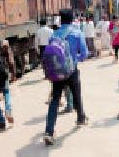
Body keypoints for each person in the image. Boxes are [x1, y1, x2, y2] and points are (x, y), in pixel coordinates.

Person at [44, 9, 89, 146]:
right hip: (72, 70)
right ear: (72, 19)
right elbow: (85, 53)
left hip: (57, 72)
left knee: (55, 100)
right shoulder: (77, 32)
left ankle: (49, 131)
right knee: (77, 94)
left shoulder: (54, 34)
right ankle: (81, 118)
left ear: (61, 20)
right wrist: (76, 59)